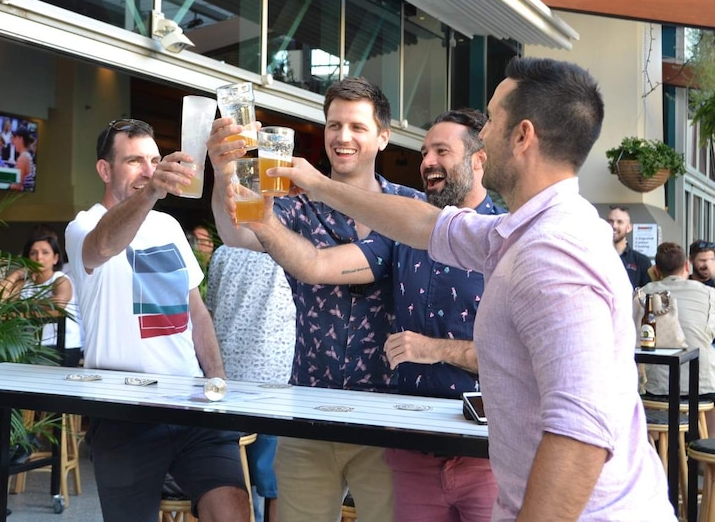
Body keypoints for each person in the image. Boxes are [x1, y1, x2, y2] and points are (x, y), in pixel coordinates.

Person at [262, 57, 676, 520]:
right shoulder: (516, 233)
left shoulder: (556, 257)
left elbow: (580, 435)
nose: (482, 135)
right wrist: (318, 185)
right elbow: (423, 222)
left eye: (492, 119)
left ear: (522, 136)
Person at [241, 109, 499, 522]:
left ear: (479, 159)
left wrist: (435, 349)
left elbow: (518, 358)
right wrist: (259, 215)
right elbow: (316, 267)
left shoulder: (505, 238)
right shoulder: (407, 234)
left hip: (486, 450)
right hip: (410, 447)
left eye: (442, 151)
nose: (428, 161)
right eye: (424, 151)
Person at [207, 77, 423, 522]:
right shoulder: (298, 206)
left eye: (357, 127)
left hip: (387, 414)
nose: (343, 137)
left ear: (383, 137)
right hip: (307, 405)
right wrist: (224, 168)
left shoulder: (409, 208)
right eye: (334, 125)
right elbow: (235, 233)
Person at [64, 118, 249, 522]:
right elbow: (105, 245)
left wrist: (218, 383)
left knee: (234, 511)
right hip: (122, 410)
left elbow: (197, 314)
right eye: (134, 161)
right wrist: (151, 191)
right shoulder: (83, 226)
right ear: (104, 170)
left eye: (153, 160)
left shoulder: (168, 226)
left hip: (191, 403)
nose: (148, 171)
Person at [205, 245, 297, 522]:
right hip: (278, 381)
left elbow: (209, 312)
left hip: (228, 381)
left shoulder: (224, 253)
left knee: (232, 478)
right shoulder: (294, 251)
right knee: (280, 486)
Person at [640, 241, 715, 434]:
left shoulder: (643, 294)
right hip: (701, 387)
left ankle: (660, 455)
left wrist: (654, 279)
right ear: (687, 266)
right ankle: (703, 457)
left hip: (658, 388)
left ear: (656, 269)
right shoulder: (709, 294)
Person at [0, 230, 84, 367]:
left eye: (45, 252)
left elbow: (56, 309)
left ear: (55, 258)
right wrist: (16, 275)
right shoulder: (24, 284)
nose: (39, 258)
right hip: (31, 346)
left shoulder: (60, 280)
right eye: (33, 253)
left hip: (62, 346)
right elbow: (0, 302)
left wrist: (20, 312)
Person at [605, 205, 652, 288]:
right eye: (610, 221)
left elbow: (647, 295)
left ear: (629, 228)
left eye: (620, 222)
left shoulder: (642, 262)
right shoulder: (595, 258)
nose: (614, 226)